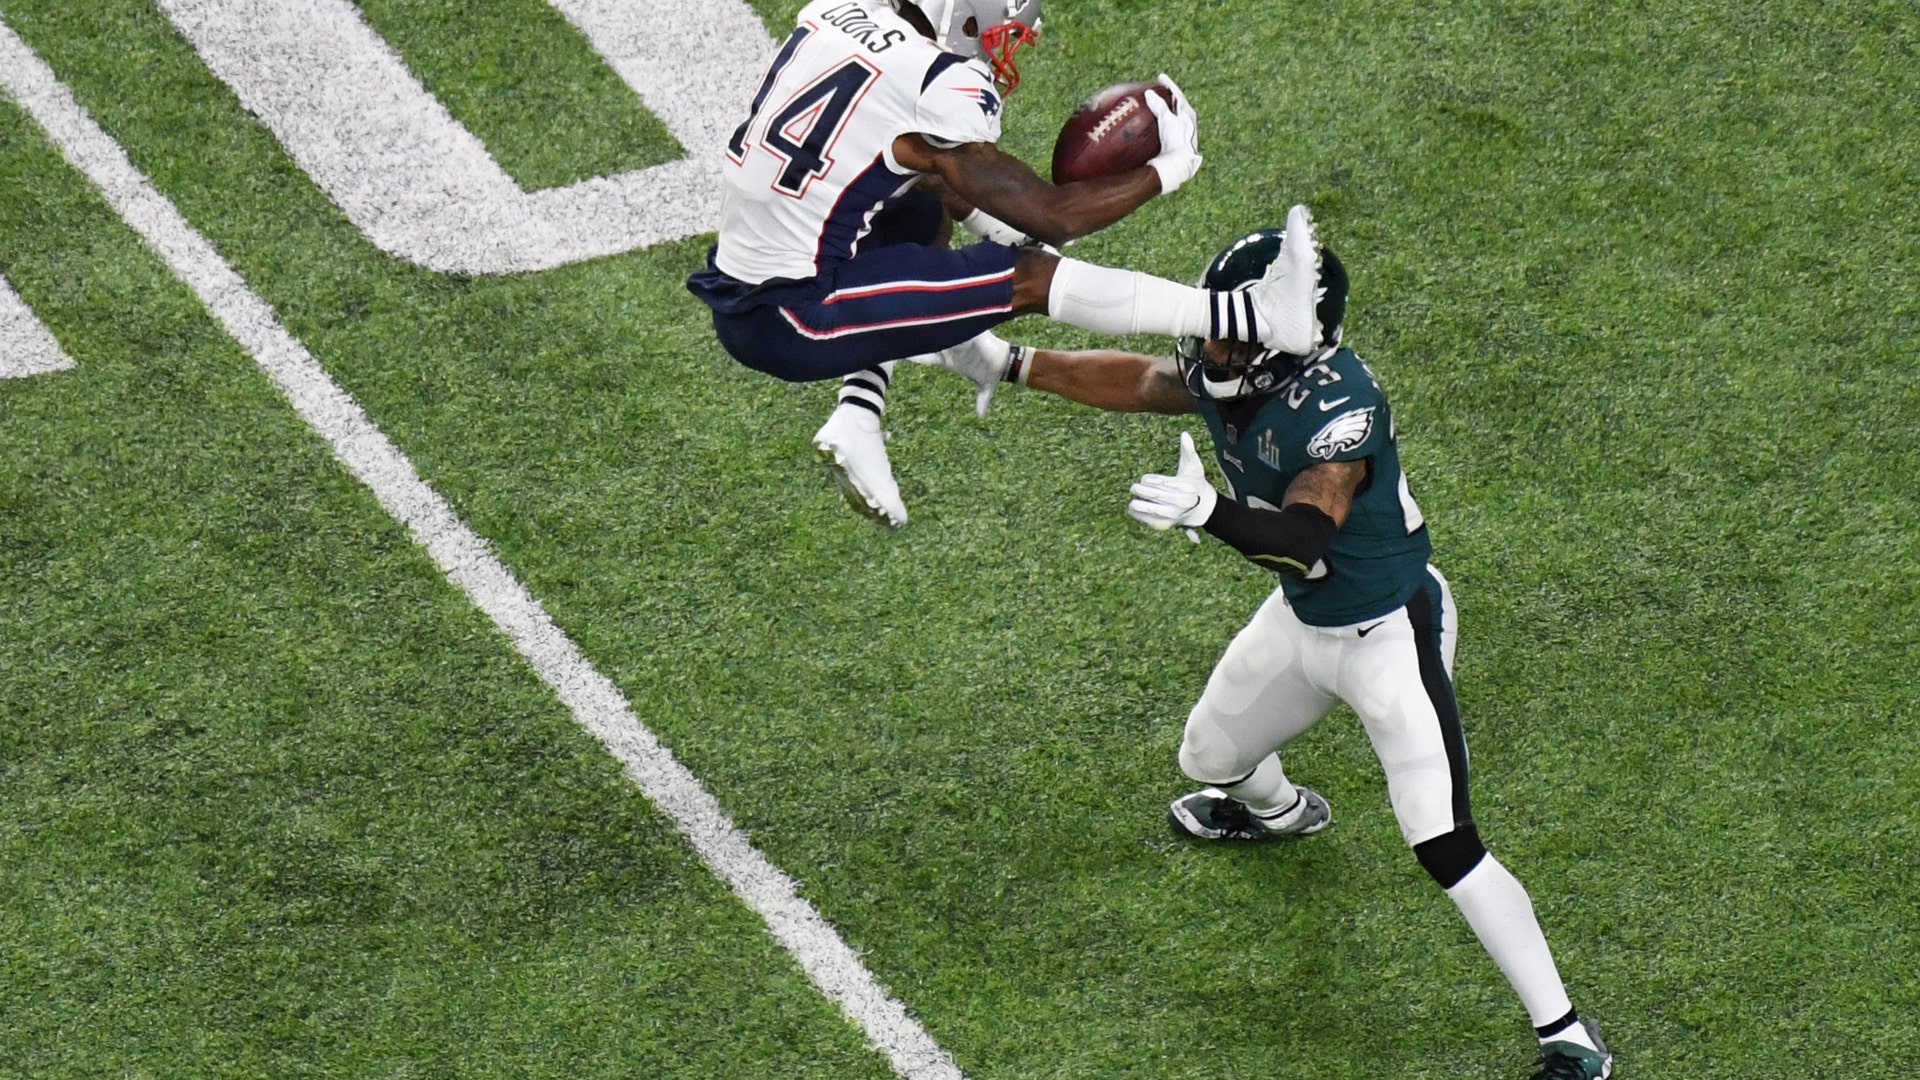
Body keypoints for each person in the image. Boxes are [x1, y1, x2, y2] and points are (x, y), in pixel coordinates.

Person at [913, 215, 1616, 1080]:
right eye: (1219, 319)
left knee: (1442, 839)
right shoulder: (1235, 365)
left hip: (1390, 630)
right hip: (1305, 620)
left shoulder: (1340, 405)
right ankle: (1281, 812)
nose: (1214, 342)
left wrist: (1210, 513)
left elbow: (1308, 541)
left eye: (1235, 327)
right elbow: (1141, 378)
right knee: (1208, 753)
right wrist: (1015, 363)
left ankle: (1569, 1037)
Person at [686, 0, 1323, 526]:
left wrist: (1013, 244)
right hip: (792, 317)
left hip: (764, 274)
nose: (1005, 48)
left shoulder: (833, 15)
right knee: (1026, 281)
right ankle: (1259, 318)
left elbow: (948, 188)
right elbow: (1055, 214)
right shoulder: (938, 86)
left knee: (914, 202)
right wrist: (1167, 169)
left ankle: (862, 408)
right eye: (1000, 31)